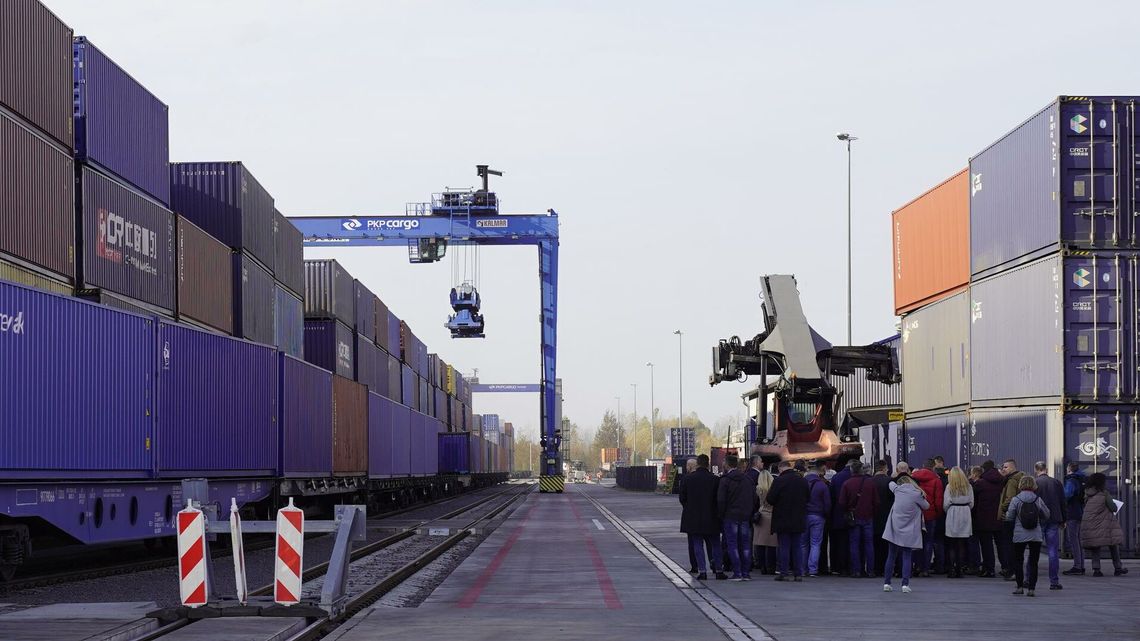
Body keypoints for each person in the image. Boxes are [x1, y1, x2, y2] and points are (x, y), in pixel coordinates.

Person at [679, 454, 726, 580]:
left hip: (693, 518)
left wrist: (690, 508)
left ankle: (702, 571)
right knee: (715, 544)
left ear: (698, 464)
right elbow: (719, 499)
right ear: (708, 464)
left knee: (697, 544)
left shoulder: (687, 479)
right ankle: (719, 570)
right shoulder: (715, 480)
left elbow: (682, 498)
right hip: (712, 517)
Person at [882, 473, 929, 593]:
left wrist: (895, 476)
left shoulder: (897, 490)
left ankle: (887, 583)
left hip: (894, 529)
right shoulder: (917, 494)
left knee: (891, 556)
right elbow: (926, 506)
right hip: (909, 531)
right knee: (907, 556)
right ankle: (905, 584)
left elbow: (890, 483)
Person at [1006, 475, 1050, 596]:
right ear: (1033, 485)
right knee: (1033, 562)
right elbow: (1047, 515)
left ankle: (1020, 587)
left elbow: (1009, 517)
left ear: (1021, 485)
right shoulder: (1038, 499)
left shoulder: (1016, 499)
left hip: (1019, 535)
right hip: (1036, 534)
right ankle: (1031, 589)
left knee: (1018, 561)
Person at [1079, 472, 1128, 577]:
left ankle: (1096, 570)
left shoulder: (1087, 493)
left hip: (1090, 524)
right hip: (1104, 524)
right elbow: (1113, 508)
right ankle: (1118, 568)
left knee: (1096, 545)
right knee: (1113, 544)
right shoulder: (1104, 494)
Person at [767, 460, 809, 581]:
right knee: (797, 547)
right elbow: (808, 497)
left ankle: (784, 573)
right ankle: (798, 573)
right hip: (798, 518)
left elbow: (770, 499)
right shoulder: (802, 481)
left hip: (782, 518)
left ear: (781, 469)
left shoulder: (779, 480)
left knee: (784, 546)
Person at [718, 454, 757, 580]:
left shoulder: (725, 480)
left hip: (730, 516)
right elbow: (754, 498)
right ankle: (746, 572)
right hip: (745, 516)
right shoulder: (748, 480)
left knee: (732, 544)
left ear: (727, 464)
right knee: (745, 545)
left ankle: (737, 572)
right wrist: (750, 512)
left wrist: (721, 515)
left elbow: (721, 500)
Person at [839, 460, 878, 577]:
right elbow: (876, 501)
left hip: (854, 517)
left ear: (851, 470)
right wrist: (872, 512)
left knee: (854, 544)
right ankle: (870, 570)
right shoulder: (870, 483)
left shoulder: (847, 483)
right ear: (862, 470)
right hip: (868, 516)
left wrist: (848, 511)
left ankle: (856, 570)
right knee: (869, 544)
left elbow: (842, 502)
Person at [1033, 461, 1067, 590]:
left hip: (1039, 519)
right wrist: (1063, 519)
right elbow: (1063, 502)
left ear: (1036, 470)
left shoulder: (1035, 483)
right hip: (1054, 519)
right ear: (1046, 469)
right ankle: (1054, 581)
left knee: (1034, 550)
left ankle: (1028, 579)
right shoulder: (1056, 483)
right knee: (1053, 552)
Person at [911, 459, 944, 577]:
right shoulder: (936, 480)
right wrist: (938, 514)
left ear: (923, 466)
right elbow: (938, 500)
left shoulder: (913, 478)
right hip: (930, 515)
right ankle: (925, 568)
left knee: (916, 541)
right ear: (933, 467)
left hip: (915, 514)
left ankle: (916, 566)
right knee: (928, 541)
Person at [973, 460, 1004, 578]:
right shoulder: (1002, 481)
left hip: (984, 518)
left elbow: (974, 501)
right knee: (1001, 545)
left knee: (987, 546)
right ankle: (1006, 567)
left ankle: (989, 569)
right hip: (999, 518)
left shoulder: (980, 483)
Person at [942, 467, 974, 578]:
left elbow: (946, 503)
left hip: (953, 512)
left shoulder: (949, 487)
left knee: (951, 544)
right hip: (965, 513)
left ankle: (951, 569)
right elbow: (972, 503)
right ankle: (959, 570)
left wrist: (948, 510)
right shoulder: (968, 487)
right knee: (961, 544)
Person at [801, 462, 830, 577]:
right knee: (815, 544)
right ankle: (813, 569)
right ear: (818, 473)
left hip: (803, 516)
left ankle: (802, 569)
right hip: (818, 516)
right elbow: (827, 504)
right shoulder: (822, 485)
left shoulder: (801, 483)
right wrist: (825, 514)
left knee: (803, 544)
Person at [997, 459, 1025, 579]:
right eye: (1003, 467)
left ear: (1013, 468)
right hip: (1019, 516)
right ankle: (1014, 570)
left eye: (1006, 467)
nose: (1003, 469)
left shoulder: (1012, 481)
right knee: (1016, 545)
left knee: (1008, 545)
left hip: (1009, 516)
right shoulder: (1021, 479)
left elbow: (1010, 498)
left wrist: (1002, 508)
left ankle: (1011, 570)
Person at [828, 460, 853, 575]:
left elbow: (831, 497)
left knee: (839, 542)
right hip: (854, 515)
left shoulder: (836, 477)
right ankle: (852, 567)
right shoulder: (857, 477)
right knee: (853, 542)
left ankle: (839, 567)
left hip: (838, 514)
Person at [1062, 463, 1087, 575]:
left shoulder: (1071, 480)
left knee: (1073, 540)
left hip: (1072, 512)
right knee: (1079, 540)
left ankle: (1077, 566)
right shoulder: (1081, 479)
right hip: (1081, 511)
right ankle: (1081, 565)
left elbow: (1067, 495)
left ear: (1069, 469)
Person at [753, 467, 778, 574]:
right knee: (772, 544)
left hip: (761, 516)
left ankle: (762, 566)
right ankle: (771, 567)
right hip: (772, 516)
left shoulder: (758, 490)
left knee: (760, 543)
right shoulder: (774, 489)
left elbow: (754, 504)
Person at [872, 460, 894, 577]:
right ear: (885, 468)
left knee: (874, 544)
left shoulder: (870, 481)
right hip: (887, 516)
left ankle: (876, 568)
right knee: (886, 545)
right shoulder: (890, 481)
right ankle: (885, 568)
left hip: (873, 516)